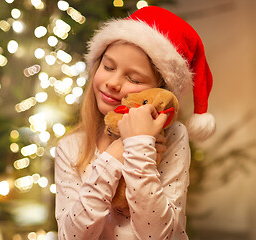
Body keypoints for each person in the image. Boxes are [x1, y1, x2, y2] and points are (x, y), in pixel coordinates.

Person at [55, 6, 215, 240]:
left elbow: (161, 235)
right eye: (108, 67)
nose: (113, 82)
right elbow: (72, 236)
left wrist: (140, 147)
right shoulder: (70, 148)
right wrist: (115, 155)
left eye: (134, 78)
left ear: (160, 92)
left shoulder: (174, 137)